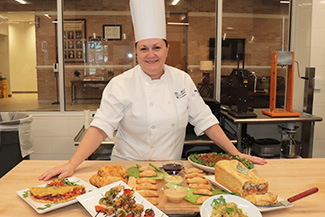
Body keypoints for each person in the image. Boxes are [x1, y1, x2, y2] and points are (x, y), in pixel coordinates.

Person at [39, 0, 266, 181]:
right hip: (126, 171)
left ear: (167, 49)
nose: (151, 54)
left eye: (157, 47)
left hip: (170, 171)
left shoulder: (182, 80)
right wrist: (71, 164)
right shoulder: (121, 84)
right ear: (136, 51)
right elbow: (100, 128)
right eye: (144, 48)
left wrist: (235, 154)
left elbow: (207, 122)